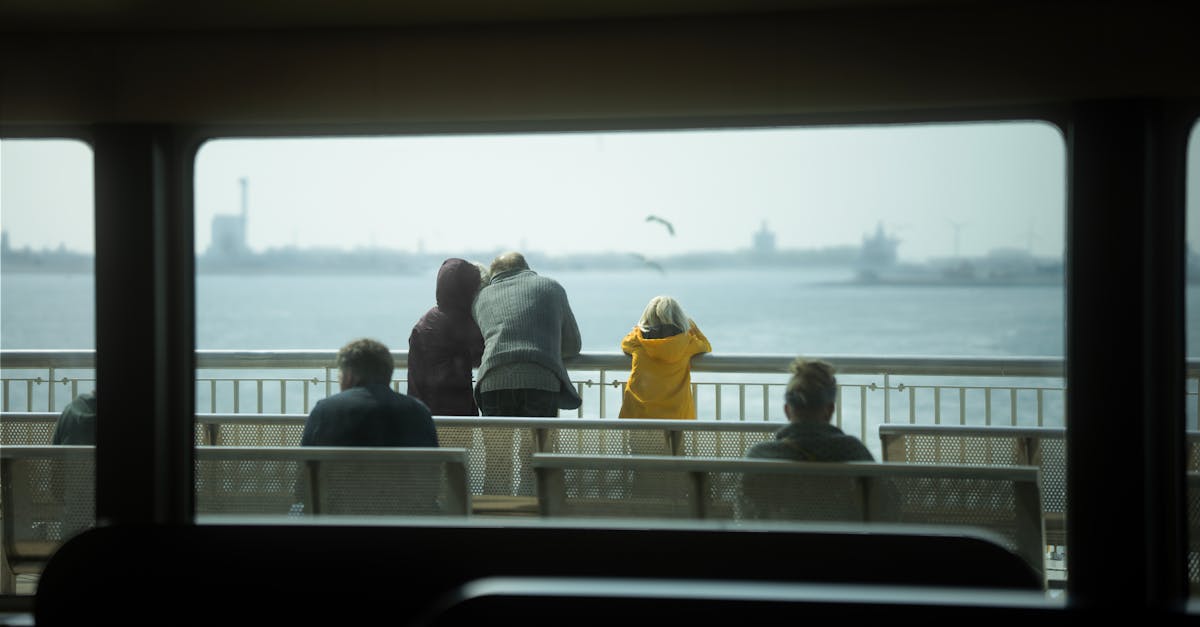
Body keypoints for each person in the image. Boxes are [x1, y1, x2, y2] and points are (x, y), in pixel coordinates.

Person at [471, 251, 582, 417]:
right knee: (538, 443)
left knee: (497, 443)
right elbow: (573, 346)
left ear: (494, 276)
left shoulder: (480, 298)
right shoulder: (552, 287)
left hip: (493, 381)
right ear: (527, 268)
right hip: (541, 380)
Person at [301, 338, 438, 446]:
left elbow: (305, 469)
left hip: (339, 482)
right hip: (402, 482)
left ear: (349, 376)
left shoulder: (325, 412)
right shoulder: (419, 413)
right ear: (388, 374)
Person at [746, 357, 874, 461]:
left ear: (787, 410)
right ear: (829, 410)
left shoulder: (760, 455)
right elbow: (885, 491)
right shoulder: (854, 452)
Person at [406, 258, 488, 416]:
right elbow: (481, 355)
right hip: (455, 411)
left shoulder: (425, 320)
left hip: (422, 408)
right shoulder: (462, 323)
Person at [617, 295, 712, 419]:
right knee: (677, 438)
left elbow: (624, 344)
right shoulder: (687, 342)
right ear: (680, 318)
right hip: (676, 416)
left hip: (639, 414)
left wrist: (638, 330)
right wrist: (692, 327)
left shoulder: (638, 341)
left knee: (639, 439)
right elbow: (706, 346)